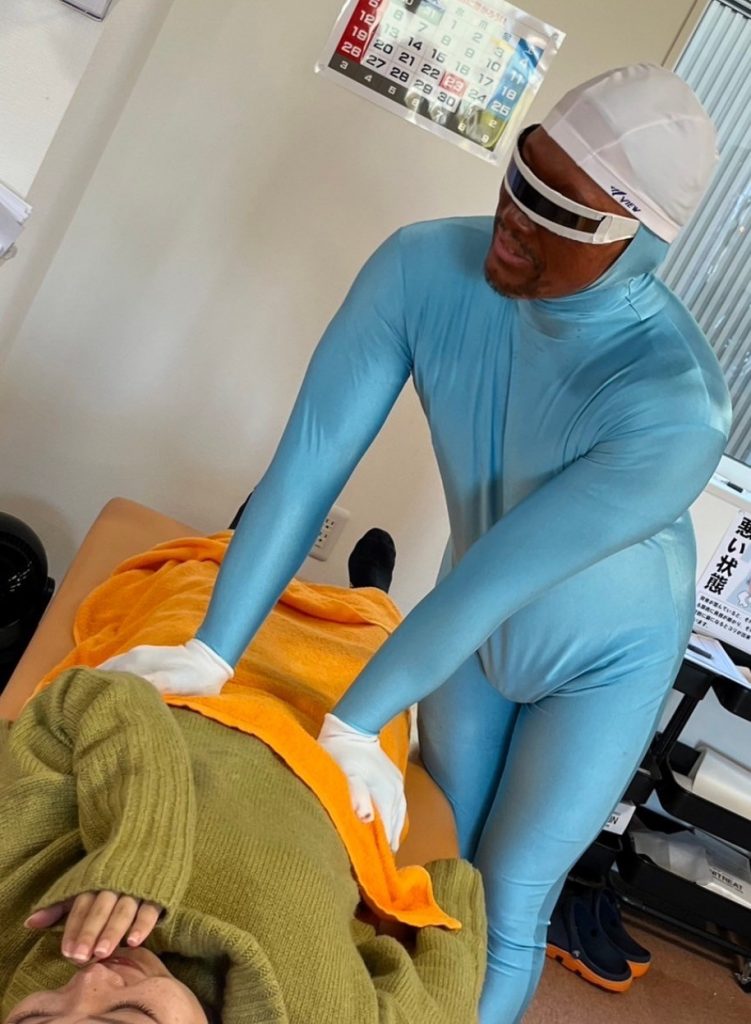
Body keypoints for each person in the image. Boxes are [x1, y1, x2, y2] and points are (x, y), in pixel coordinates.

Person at [98, 64, 732, 1022]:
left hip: (602, 659)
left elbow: (499, 580)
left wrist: (356, 722)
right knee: (427, 870)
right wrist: (210, 650)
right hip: (470, 620)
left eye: (562, 211)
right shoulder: (419, 265)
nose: (516, 218)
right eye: (521, 176)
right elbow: (310, 462)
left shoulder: (678, 408)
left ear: (637, 242)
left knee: (505, 904)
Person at [0, 533, 486, 1024]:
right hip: (334, 770)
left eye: (35, 1020)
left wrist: (140, 844)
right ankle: (373, 592)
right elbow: (446, 997)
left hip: (185, 697)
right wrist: (445, 895)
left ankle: (237, 533)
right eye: (122, 1015)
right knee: (369, 642)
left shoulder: (13, 931)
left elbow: (81, 704)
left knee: (204, 584)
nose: (88, 982)